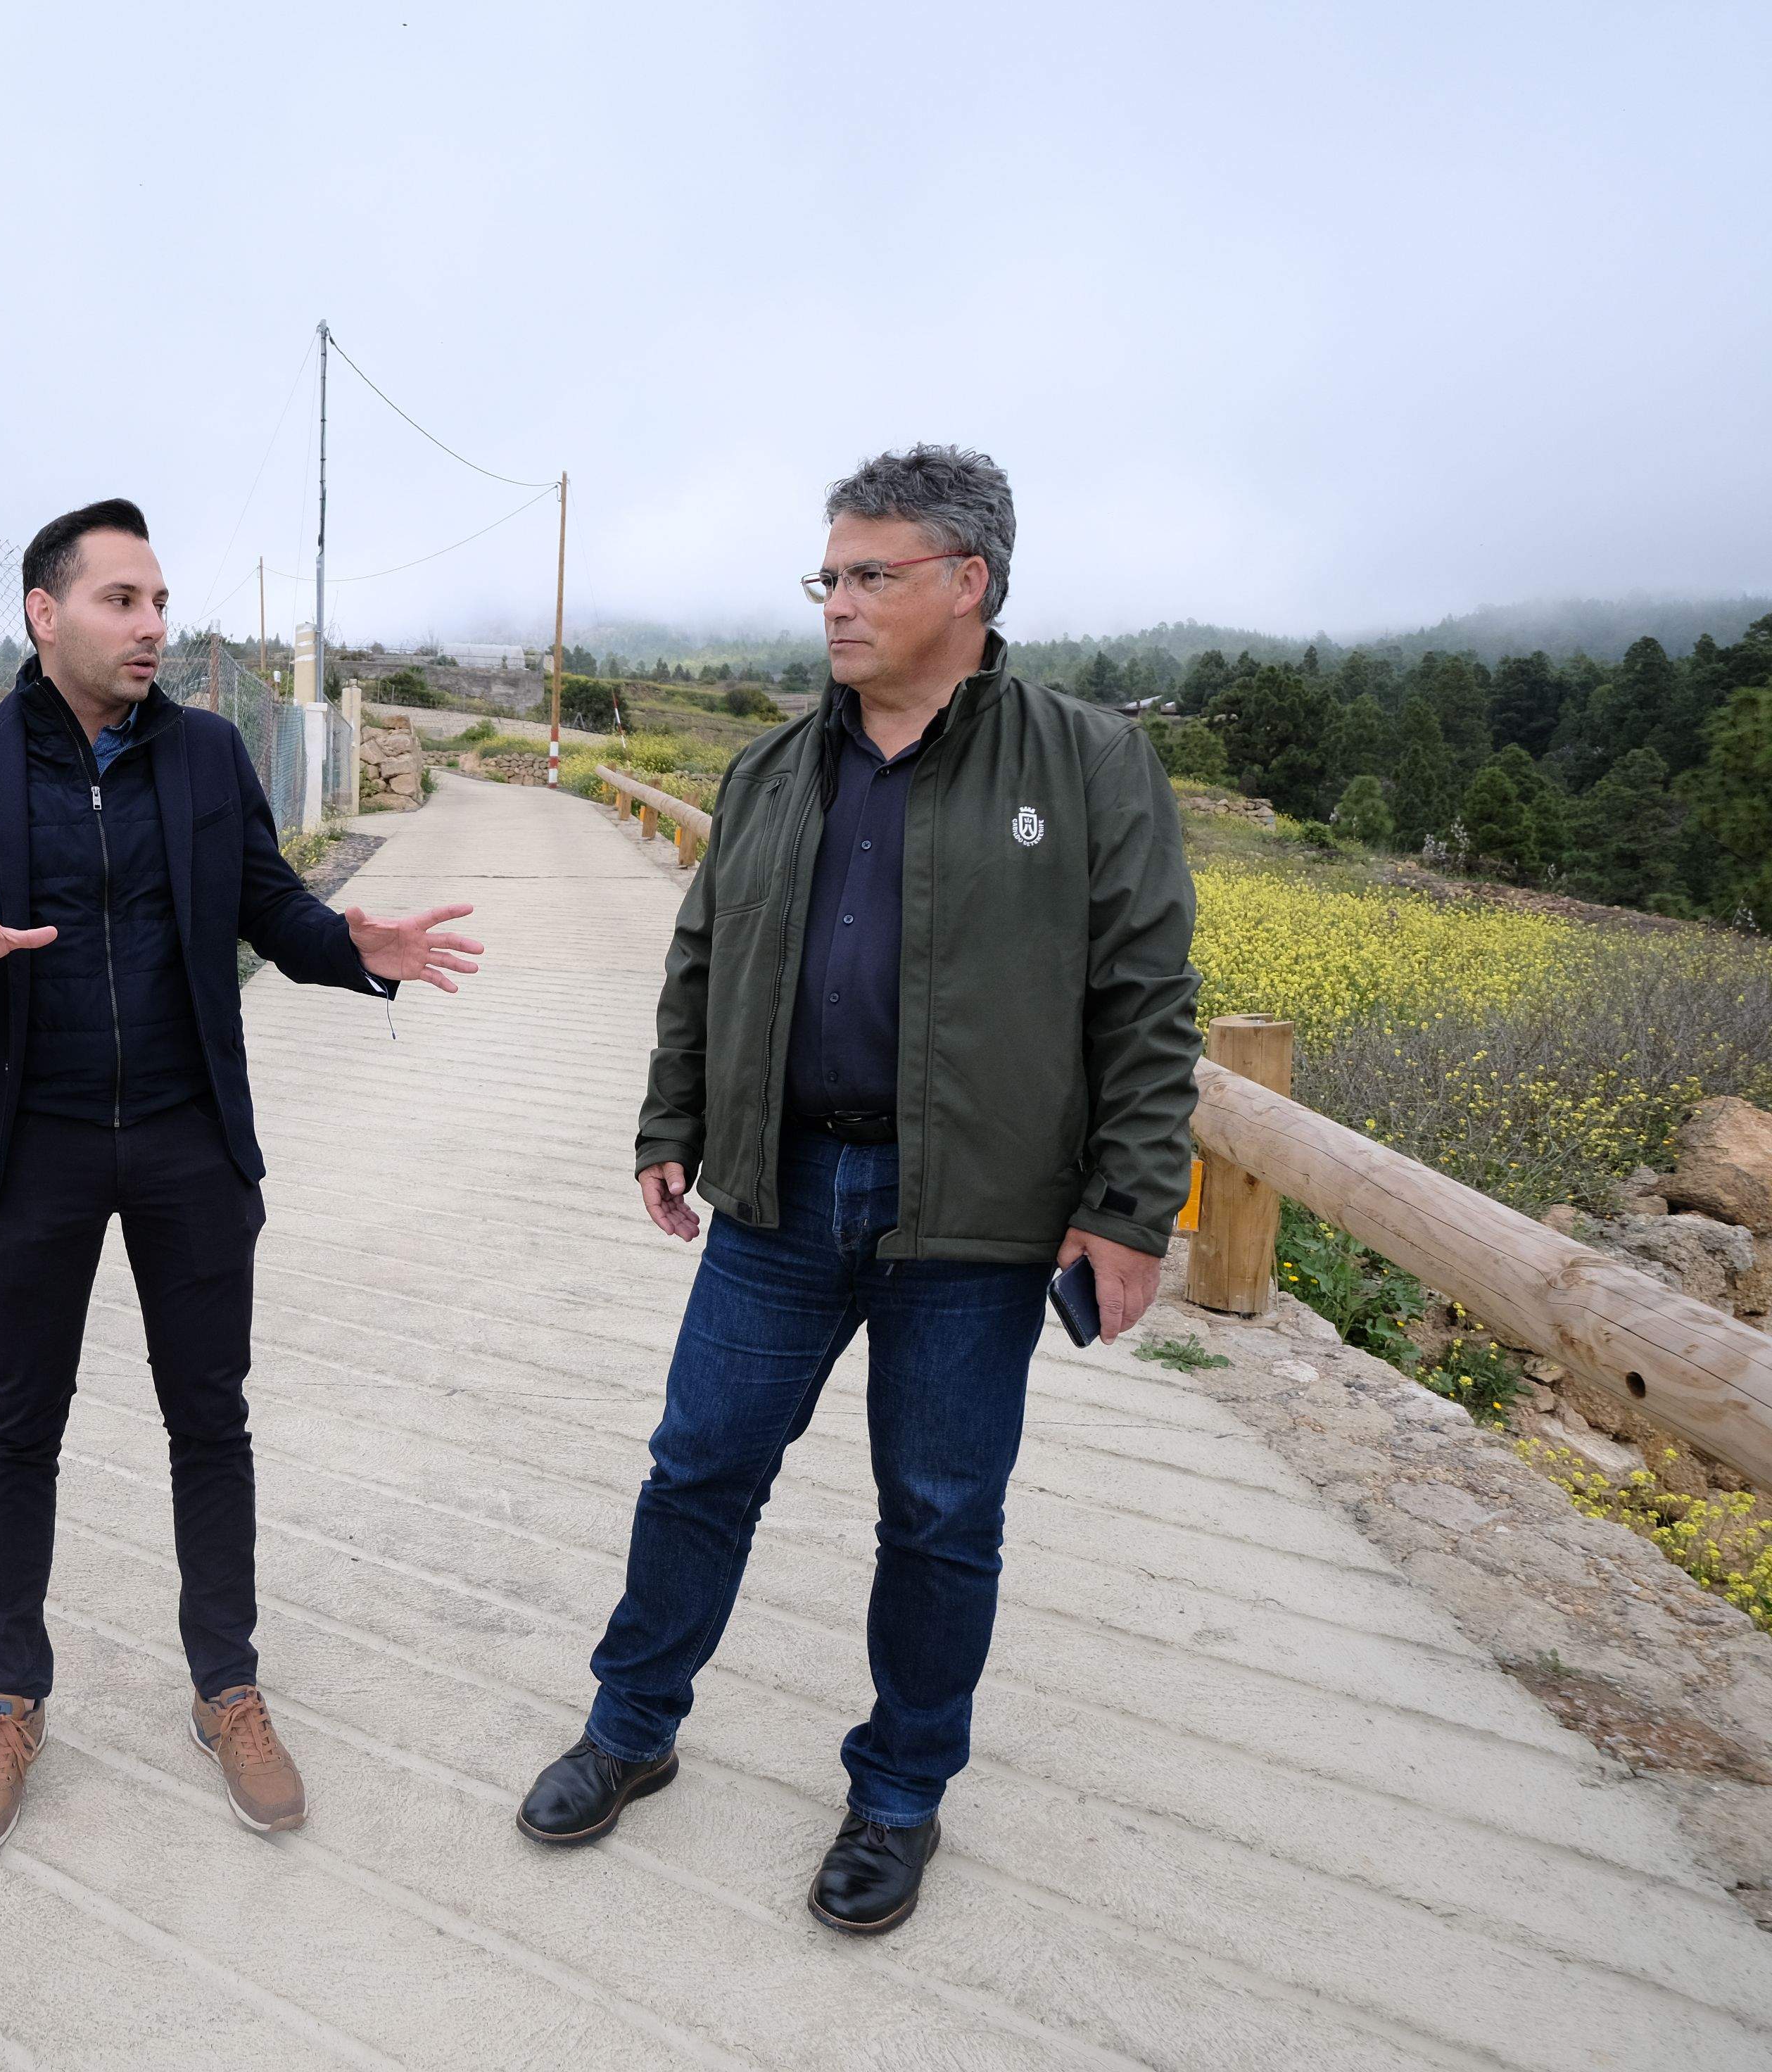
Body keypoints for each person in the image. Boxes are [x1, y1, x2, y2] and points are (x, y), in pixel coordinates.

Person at [515, 446, 1199, 1935]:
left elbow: (1149, 1001)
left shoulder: (1084, 763)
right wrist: (668, 1115)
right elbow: (704, 958)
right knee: (698, 1464)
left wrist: (1132, 1207)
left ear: (970, 583)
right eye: (827, 572)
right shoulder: (772, 765)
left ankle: (899, 1793)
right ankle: (633, 1725)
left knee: (941, 1515)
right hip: (778, 1193)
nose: (837, 600)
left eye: (869, 573)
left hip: (977, 1217)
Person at [0, 498, 483, 1852]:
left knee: (210, 1417)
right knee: (18, 1425)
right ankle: (9, 1694)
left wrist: (349, 946)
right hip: (32, 1149)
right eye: (125, 602)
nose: (155, 626)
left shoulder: (204, 756)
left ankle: (227, 1684)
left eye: (159, 603)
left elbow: (268, 902)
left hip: (188, 1141)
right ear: (46, 614)